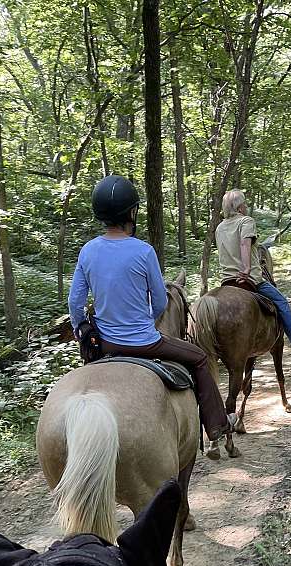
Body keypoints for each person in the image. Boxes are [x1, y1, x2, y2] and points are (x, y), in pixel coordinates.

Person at [68, 174, 235, 443]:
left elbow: (75, 304)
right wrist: (140, 320)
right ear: (131, 212)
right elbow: (159, 303)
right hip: (144, 343)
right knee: (199, 358)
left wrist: (81, 328)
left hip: (105, 346)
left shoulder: (88, 251)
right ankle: (217, 425)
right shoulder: (144, 252)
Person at [215, 189, 291, 350]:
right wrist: (246, 268)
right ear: (239, 208)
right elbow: (245, 244)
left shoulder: (220, 227)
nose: (246, 207)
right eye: (244, 204)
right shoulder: (246, 221)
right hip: (249, 279)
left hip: (226, 281)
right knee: (281, 301)